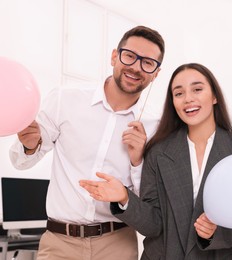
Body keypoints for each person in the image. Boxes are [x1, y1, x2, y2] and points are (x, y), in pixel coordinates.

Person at [9, 25, 165, 260]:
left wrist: (138, 161)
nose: (136, 67)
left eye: (148, 63)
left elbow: (149, 203)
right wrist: (30, 145)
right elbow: (20, 162)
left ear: (156, 73)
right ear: (114, 56)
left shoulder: (156, 126)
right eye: (130, 56)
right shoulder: (65, 99)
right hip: (60, 243)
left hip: (117, 244)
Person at [79, 63, 232, 259]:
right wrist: (124, 198)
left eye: (197, 89)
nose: (188, 98)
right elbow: (154, 224)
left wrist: (215, 232)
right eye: (179, 93)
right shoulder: (158, 151)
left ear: (214, 96)